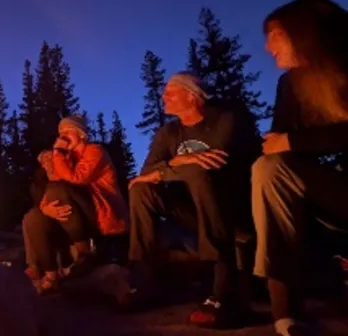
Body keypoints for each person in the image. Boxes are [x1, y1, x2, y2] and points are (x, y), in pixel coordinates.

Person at [126, 72, 260, 328]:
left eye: (170, 92)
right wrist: (179, 161)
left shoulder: (223, 119)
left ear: (192, 96)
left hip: (230, 207)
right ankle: (143, 283)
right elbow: (146, 173)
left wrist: (169, 169)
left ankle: (223, 290)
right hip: (191, 210)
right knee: (141, 190)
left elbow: (216, 163)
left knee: (199, 172)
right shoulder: (169, 133)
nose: (164, 96)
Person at [252, 0, 348, 336]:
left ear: (303, 31)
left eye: (275, 35)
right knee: (268, 168)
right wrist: (283, 144)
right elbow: (280, 145)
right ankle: (286, 311)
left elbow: (290, 141)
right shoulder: (290, 84)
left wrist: (294, 142)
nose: (268, 47)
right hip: (329, 190)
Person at [22, 115, 129, 293]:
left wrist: (58, 153)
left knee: (57, 189)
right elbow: (50, 183)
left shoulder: (95, 151)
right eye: (60, 133)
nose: (63, 136)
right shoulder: (66, 156)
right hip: (77, 213)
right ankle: (50, 274)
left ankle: (83, 251)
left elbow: (76, 178)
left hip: (102, 213)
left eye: (67, 131)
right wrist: (45, 208)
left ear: (81, 134)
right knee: (33, 217)